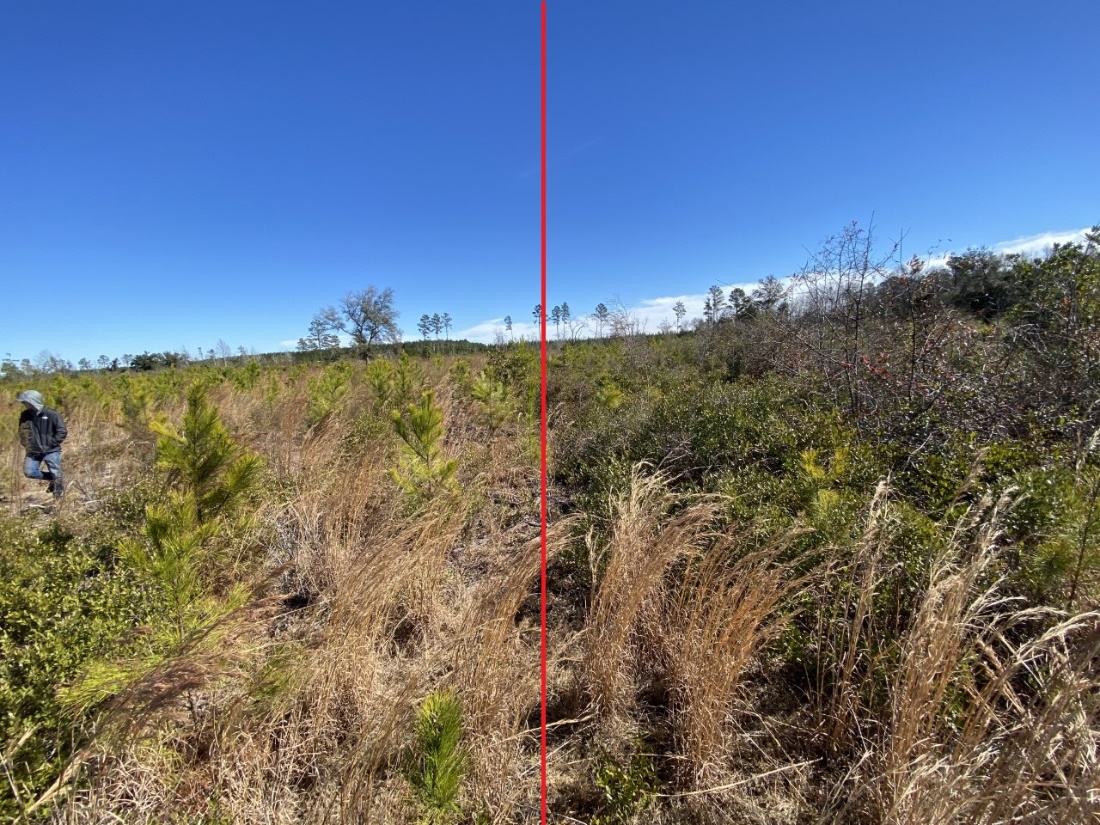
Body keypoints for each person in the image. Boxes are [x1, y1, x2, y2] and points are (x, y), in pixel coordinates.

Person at [17, 390, 67, 498]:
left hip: (51, 450)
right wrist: (27, 444)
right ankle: (52, 478)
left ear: (32, 401)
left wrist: (51, 443)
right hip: (33, 450)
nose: (23, 404)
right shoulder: (25, 415)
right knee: (29, 472)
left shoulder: (52, 414)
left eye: (24, 401)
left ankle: (58, 497)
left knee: (56, 472)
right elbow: (22, 431)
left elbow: (62, 431)